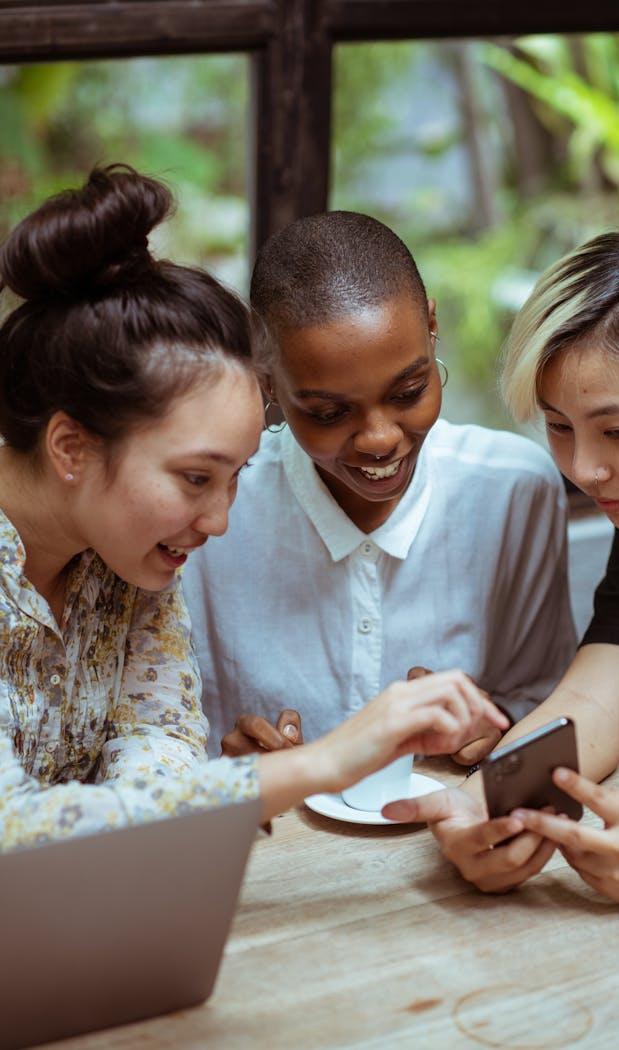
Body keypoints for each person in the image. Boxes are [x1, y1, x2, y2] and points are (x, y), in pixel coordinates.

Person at [0, 165, 509, 853]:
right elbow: (12, 826)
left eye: (236, 475)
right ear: (70, 446)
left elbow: (160, 745)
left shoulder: (124, 559)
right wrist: (326, 760)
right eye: (194, 478)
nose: (219, 521)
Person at [183, 210, 576, 762]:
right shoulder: (212, 518)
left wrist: (494, 723)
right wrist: (232, 767)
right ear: (267, 379)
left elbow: (549, 697)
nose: (379, 439)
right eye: (327, 412)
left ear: (432, 326)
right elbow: (161, 743)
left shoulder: (513, 491)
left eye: (410, 391)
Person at [385, 225, 619, 912]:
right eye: (559, 426)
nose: (584, 470)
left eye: (618, 432)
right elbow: (590, 702)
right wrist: (483, 806)